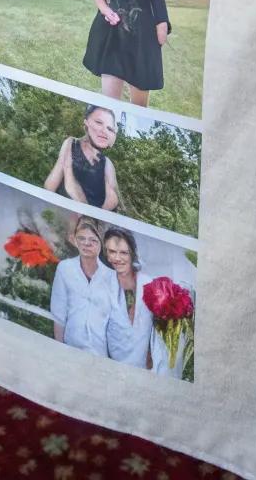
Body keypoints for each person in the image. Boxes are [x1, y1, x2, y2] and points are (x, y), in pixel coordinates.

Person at [49, 218, 116, 353]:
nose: (86, 244)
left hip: (100, 352)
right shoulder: (65, 268)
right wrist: (59, 350)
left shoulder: (112, 277)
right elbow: (58, 313)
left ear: (102, 243)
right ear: (75, 240)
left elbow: (114, 324)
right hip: (70, 347)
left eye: (93, 240)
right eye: (81, 238)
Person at [44, 105, 120, 211]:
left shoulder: (107, 163)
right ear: (86, 123)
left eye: (109, 128)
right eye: (98, 122)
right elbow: (50, 186)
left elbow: (112, 201)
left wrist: (92, 218)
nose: (104, 130)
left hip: (88, 221)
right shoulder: (72, 143)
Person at [104, 226, 153, 370]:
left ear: (132, 254)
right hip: (113, 366)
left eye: (124, 253)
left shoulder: (148, 283)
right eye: (112, 252)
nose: (117, 258)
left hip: (144, 367)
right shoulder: (104, 284)